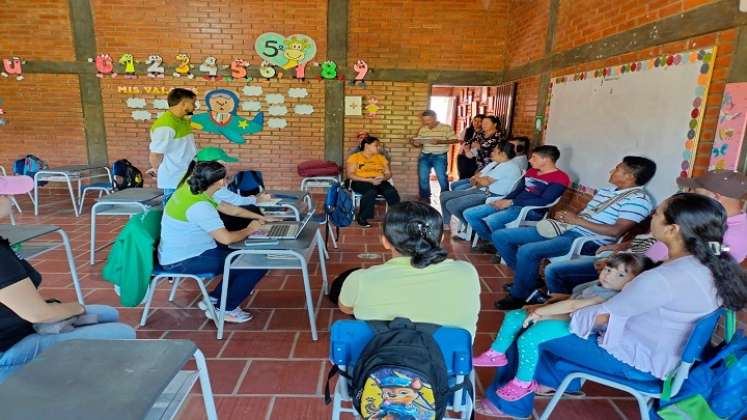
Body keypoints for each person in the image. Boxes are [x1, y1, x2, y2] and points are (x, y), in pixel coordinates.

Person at [477, 192, 747, 418]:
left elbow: (600, 319)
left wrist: (555, 310)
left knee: (525, 326)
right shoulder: (710, 263)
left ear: (673, 229)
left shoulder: (663, 277)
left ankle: (508, 404)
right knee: (549, 322)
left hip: (641, 362)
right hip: (670, 354)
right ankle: (552, 381)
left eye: (657, 214)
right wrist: (570, 303)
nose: (651, 217)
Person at [0, 175, 135, 383]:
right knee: (123, 333)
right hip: (8, 348)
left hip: (18, 325)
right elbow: (39, 314)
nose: (10, 197)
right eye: (4, 194)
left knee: (108, 313)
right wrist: (77, 308)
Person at [473, 253, 653, 401]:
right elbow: (573, 298)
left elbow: (574, 308)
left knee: (529, 338)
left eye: (620, 274)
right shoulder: (598, 284)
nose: (608, 275)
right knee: (514, 316)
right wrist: (543, 306)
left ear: (632, 283)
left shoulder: (610, 295)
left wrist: (543, 313)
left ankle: (523, 382)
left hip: (576, 325)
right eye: (608, 269)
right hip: (564, 315)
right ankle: (496, 353)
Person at [544, 169, 747, 294]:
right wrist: (622, 248)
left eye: (696, 191)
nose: (689, 194)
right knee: (569, 283)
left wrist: (623, 266)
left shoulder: (733, 235)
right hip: (632, 265)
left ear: (716, 196)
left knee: (563, 278)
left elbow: (688, 270)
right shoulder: (704, 217)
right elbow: (655, 240)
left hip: (641, 281)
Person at [493, 156, 657, 310]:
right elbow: (585, 214)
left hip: (586, 240)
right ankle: (528, 278)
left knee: (527, 251)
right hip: (569, 229)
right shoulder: (608, 191)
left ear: (630, 176)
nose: (611, 171)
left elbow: (617, 231)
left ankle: (520, 295)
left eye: (617, 168)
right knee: (501, 236)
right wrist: (566, 217)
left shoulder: (638, 200)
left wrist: (577, 221)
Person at [338, 201, 481, 339]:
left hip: (381, 359)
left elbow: (346, 308)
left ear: (385, 241)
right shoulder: (467, 272)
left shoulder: (360, 279)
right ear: (442, 238)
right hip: (446, 362)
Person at [158, 161, 269, 323]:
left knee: (242, 255)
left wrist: (261, 218)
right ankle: (226, 309)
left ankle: (215, 298)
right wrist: (251, 229)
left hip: (179, 252)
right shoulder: (200, 206)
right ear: (220, 182)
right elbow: (226, 238)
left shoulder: (191, 190)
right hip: (183, 261)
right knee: (255, 263)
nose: (226, 181)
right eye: (225, 178)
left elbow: (230, 209)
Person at [463, 145, 570, 245]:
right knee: (469, 214)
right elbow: (518, 190)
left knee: (493, 220)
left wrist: (511, 202)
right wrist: (503, 200)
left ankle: (499, 244)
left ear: (546, 159)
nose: (530, 160)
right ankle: (493, 242)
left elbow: (545, 200)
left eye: (534, 157)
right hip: (512, 203)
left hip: (531, 210)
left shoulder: (560, 178)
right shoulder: (532, 171)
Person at [440, 142, 523, 229]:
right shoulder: (497, 163)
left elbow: (483, 181)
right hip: (483, 190)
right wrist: (478, 178)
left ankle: (471, 227)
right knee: (444, 196)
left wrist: (477, 178)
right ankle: (446, 223)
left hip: (491, 196)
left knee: (451, 204)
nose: (492, 152)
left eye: (494, 151)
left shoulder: (508, 166)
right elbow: (480, 178)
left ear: (502, 153)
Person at [148, 88, 198, 203]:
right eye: (193, 103)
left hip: (187, 175)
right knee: (173, 216)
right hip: (174, 179)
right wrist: (157, 170)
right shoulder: (165, 126)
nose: (195, 106)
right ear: (184, 103)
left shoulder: (182, 119)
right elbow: (155, 154)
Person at [346, 136, 401, 228]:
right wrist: (369, 180)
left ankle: (398, 217)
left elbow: (388, 173)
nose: (379, 148)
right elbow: (350, 175)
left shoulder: (381, 157)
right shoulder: (355, 157)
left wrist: (382, 178)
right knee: (371, 192)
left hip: (379, 180)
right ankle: (362, 218)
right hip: (361, 180)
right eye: (376, 145)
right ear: (367, 145)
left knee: (390, 191)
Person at [411, 110, 458, 201]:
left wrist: (440, 141)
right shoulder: (423, 129)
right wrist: (415, 143)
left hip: (440, 156)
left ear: (435, 118)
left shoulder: (446, 128)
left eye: (428, 120)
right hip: (425, 156)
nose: (426, 122)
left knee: (442, 178)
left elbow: (454, 140)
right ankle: (425, 197)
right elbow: (420, 142)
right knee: (423, 177)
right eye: (424, 120)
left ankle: (445, 197)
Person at [456, 114, 484, 180]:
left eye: (480, 121)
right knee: (461, 176)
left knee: (469, 177)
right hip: (462, 156)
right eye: (475, 120)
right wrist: (468, 145)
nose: (476, 123)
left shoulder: (483, 133)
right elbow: (460, 140)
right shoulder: (467, 130)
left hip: (474, 158)